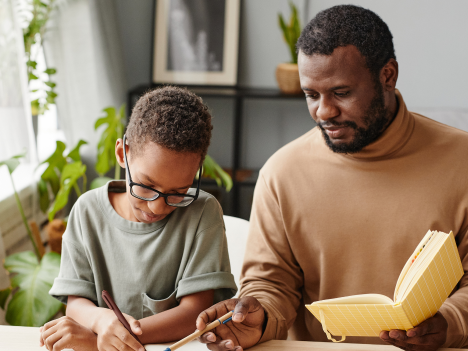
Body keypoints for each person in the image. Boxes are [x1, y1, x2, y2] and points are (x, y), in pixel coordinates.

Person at [196, 5, 468, 351]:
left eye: (341, 93)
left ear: (388, 75)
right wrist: (256, 318)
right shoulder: (282, 173)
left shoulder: (462, 161)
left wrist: (449, 322)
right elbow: (270, 284)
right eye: (312, 95)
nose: (323, 112)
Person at [39, 86, 237, 351]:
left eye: (178, 193)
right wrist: (101, 322)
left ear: (196, 173)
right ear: (123, 154)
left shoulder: (203, 213)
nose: (156, 207)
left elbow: (195, 313)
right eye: (145, 186)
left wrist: (103, 341)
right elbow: (76, 304)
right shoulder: (86, 211)